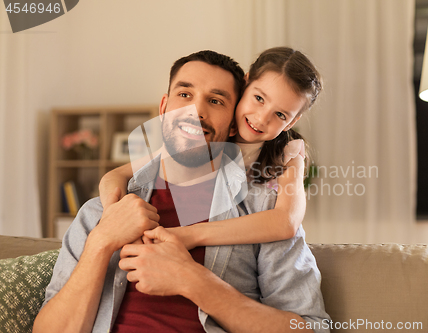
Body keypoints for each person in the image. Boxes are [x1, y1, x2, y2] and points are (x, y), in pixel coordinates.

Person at [34, 50, 330, 333]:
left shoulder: (263, 214)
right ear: (164, 109)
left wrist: (194, 281)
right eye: (185, 95)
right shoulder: (100, 212)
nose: (195, 111)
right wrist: (101, 241)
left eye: (215, 101)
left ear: (232, 125)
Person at [99, 47, 322, 249]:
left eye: (280, 114)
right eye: (259, 98)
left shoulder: (288, 154)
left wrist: (191, 235)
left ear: (291, 122)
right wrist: (112, 214)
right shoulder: (212, 137)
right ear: (245, 85)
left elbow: (287, 222)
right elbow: (118, 175)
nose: (262, 118)